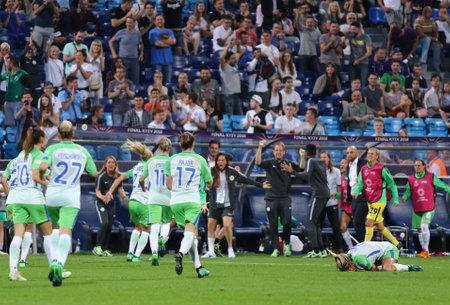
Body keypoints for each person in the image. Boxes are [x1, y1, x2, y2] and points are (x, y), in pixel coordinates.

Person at [41, 120, 98, 287]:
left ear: (58, 134)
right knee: (66, 231)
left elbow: (43, 166)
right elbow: (94, 173)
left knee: (53, 230)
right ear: (73, 134)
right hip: (71, 196)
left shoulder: (52, 148)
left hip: (52, 195)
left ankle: (53, 263)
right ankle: (59, 264)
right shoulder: (82, 151)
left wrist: (44, 172)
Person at [203, 152, 271, 258]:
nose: (220, 162)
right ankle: (211, 251)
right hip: (214, 204)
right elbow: (205, 185)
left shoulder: (232, 172)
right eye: (219, 160)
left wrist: (260, 185)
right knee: (210, 226)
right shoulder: (210, 171)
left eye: (222, 160)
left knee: (227, 225)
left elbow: (246, 179)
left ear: (226, 162)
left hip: (227, 204)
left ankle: (230, 249)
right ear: (216, 162)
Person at [7, 127, 53, 281]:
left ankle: (13, 271)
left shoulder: (21, 155)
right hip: (33, 196)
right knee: (48, 232)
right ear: (41, 139)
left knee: (18, 235)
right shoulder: (40, 154)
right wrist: (50, 184)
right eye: (45, 137)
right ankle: (55, 267)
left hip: (17, 197)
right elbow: (38, 176)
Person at [165, 132, 212, 278]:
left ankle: (199, 268)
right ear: (194, 144)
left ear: (180, 144)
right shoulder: (200, 160)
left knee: (189, 234)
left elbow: (168, 185)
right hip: (192, 200)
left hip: (176, 201)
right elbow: (209, 182)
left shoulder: (171, 159)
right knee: (190, 233)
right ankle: (180, 253)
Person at [106, 140, 153, 262]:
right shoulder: (150, 167)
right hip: (144, 201)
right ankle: (137, 256)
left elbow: (120, 177)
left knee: (137, 228)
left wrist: (110, 191)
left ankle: (130, 253)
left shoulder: (136, 167)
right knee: (147, 230)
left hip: (133, 201)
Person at [281, 144, 330, 258]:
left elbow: (306, 176)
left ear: (307, 153)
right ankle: (322, 250)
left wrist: (291, 171)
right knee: (316, 222)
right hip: (324, 192)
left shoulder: (311, 161)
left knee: (311, 223)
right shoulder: (321, 161)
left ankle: (315, 250)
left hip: (318, 193)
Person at [255, 140, 302, 257]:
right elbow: (258, 162)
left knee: (286, 223)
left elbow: (301, 168)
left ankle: (286, 245)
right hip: (271, 199)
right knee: (273, 225)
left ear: (284, 152)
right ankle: (276, 248)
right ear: (273, 152)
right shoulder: (269, 163)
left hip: (285, 199)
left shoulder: (288, 164)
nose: (278, 152)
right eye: (276, 150)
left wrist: (302, 156)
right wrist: (260, 148)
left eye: (280, 150)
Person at [352, 148, 401, 248]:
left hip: (380, 200)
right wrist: (356, 192)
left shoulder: (381, 169)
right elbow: (360, 183)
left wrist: (396, 199)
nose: (369, 155)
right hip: (370, 200)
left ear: (376, 156)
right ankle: (397, 244)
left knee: (369, 221)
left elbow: (392, 184)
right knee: (380, 226)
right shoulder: (363, 169)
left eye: (372, 154)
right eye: (368, 154)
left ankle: (365, 247)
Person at [402, 159, 450, 258]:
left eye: (419, 165)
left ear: (424, 166)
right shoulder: (411, 179)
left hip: (428, 207)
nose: (417, 167)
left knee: (424, 226)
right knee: (420, 229)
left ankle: (426, 250)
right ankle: (424, 250)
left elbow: (442, 185)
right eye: (415, 165)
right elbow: (408, 191)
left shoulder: (431, 176)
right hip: (417, 208)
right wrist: (405, 197)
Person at [136, 137, 172, 264]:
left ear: (159, 148)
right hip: (168, 196)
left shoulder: (151, 161)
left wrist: (143, 189)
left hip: (154, 196)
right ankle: (162, 238)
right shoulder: (172, 161)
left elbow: (141, 179)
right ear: (170, 148)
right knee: (166, 222)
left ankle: (155, 252)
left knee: (154, 225)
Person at [92, 156, 128, 257]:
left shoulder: (118, 176)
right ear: (105, 165)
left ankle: (104, 249)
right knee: (104, 223)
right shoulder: (101, 176)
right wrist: (103, 197)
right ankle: (97, 247)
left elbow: (120, 188)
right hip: (101, 203)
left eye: (113, 163)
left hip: (112, 204)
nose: (111, 164)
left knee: (109, 226)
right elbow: (97, 191)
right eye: (109, 162)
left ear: (115, 165)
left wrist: (124, 196)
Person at [329, 241, 423, 272]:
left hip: (389, 249)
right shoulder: (350, 256)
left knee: (387, 269)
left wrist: (360, 271)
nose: (350, 271)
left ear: (350, 263)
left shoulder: (359, 259)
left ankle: (410, 268)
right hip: (377, 256)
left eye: (349, 269)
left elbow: (374, 269)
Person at [319, 151, 344, 253]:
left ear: (329, 159)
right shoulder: (318, 170)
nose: (323, 159)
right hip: (320, 202)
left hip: (332, 202)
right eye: (321, 157)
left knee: (335, 226)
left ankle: (340, 248)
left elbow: (339, 187)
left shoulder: (336, 171)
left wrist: (339, 199)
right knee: (318, 225)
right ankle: (320, 248)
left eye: (325, 157)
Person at [109, 16, 143, 84]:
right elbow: (110, 41)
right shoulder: (121, 32)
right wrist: (114, 54)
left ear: (134, 23)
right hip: (123, 60)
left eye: (130, 23)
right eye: (127, 22)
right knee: (122, 80)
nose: (128, 24)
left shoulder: (138, 33)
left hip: (134, 60)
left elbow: (140, 43)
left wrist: (141, 53)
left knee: (135, 80)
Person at [1, 54, 33, 126]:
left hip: (18, 103)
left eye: (7, 62)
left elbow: (31, 87)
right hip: (8, 102)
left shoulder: (22, 74)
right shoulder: (7, 74)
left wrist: (27, 100)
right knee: (10, 125)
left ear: (11, 63)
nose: (6, 64)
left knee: (19, 124)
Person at [346, 146, 367, 242]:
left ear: (356, 153)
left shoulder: (363, 163)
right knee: (356, 222)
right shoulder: (348, 166)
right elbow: (349, 183)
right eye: (348, 153)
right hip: (354, 199)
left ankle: (364, 244)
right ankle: (363, 243)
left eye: (351, 152)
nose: (349, 155)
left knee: (359, 221)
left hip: (363, 197)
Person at [149, 14, 176, 85]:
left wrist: (162, 41)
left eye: (161, 19)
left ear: (164, 20)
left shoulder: (169, 31)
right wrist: (168, 42)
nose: (159, 21)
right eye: (158, 20)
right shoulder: (152, 32)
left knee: (168, 83)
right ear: (155, 21)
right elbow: (157, 44)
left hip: (168, 62)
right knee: (157, 84)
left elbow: (173, 41)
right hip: (157, 62)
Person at [414, 6, 441, 71]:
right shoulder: (418, 20)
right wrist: (432, 38)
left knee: (437, 47)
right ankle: (423, 60)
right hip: (420, 40)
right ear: (424, 12)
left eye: (431, 12)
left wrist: (436, 39)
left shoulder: (432, 20)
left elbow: (436, 31)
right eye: (429, 12)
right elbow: (419, 33)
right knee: (427, 39)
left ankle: (436, 66)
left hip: (430, 40)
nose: (430, 13)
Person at [219, 41, 243, 115]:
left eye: (235, 58)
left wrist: (238, 44)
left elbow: (239, 53)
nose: (235, 60)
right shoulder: (224, 67)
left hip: (236, 95)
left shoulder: (235, 65)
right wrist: (228, 47)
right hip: (228, 96)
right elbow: (221, 57)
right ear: (227, 60)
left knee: (240, 115)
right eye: (233, 58)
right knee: (230, 116)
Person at [339, 158, 353, 250]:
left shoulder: (353, 177)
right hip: (345, 207)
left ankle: (364, 247)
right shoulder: (339, 178)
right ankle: (351, 248)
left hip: (354, 206)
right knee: (343, 227)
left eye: (343, 163)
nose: (341, 165)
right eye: (340, 163)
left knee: (360, 228)